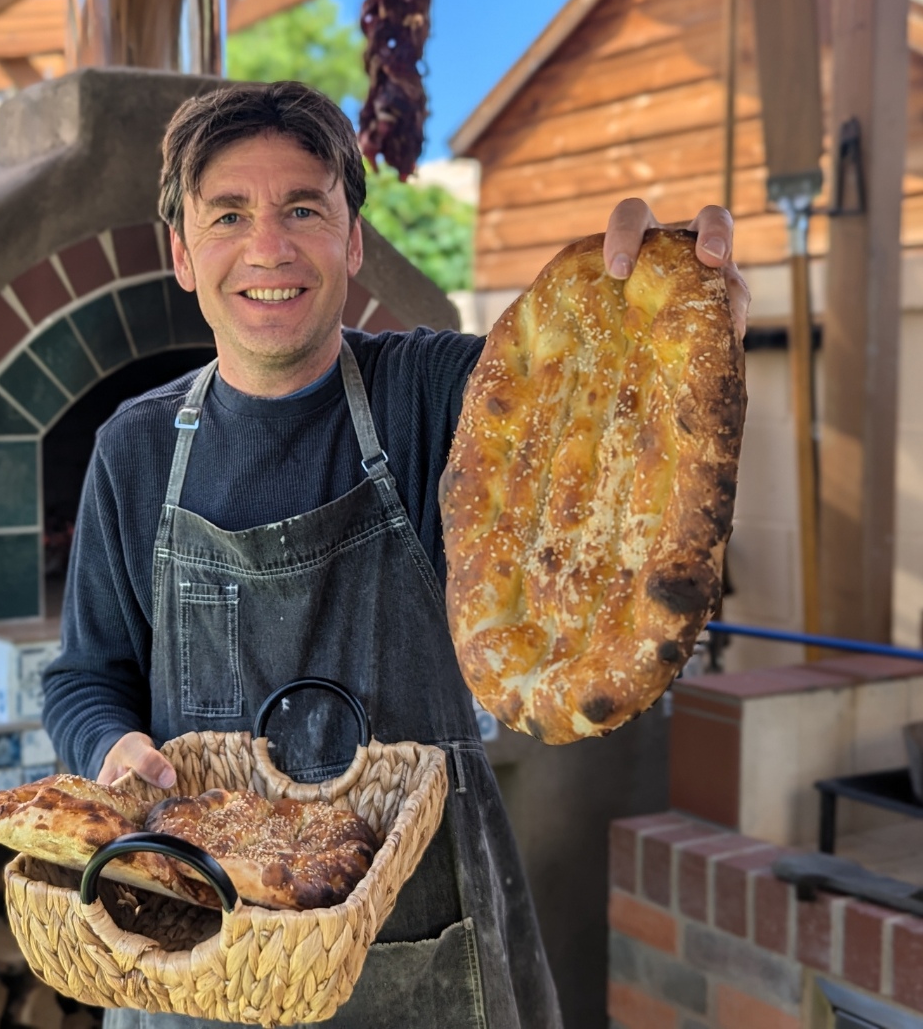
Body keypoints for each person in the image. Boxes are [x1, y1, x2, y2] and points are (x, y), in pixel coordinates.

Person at [42, 80, 749, 1029]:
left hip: (428, 933)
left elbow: (596, 399)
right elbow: (85, 677)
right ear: (182, 254)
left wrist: (685, 322)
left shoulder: (440, 396)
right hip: (203, 943)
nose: (268, 247)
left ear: (353, 242)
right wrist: (113, 748)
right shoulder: (133, 449)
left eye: (304, 208)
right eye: (229, 216)